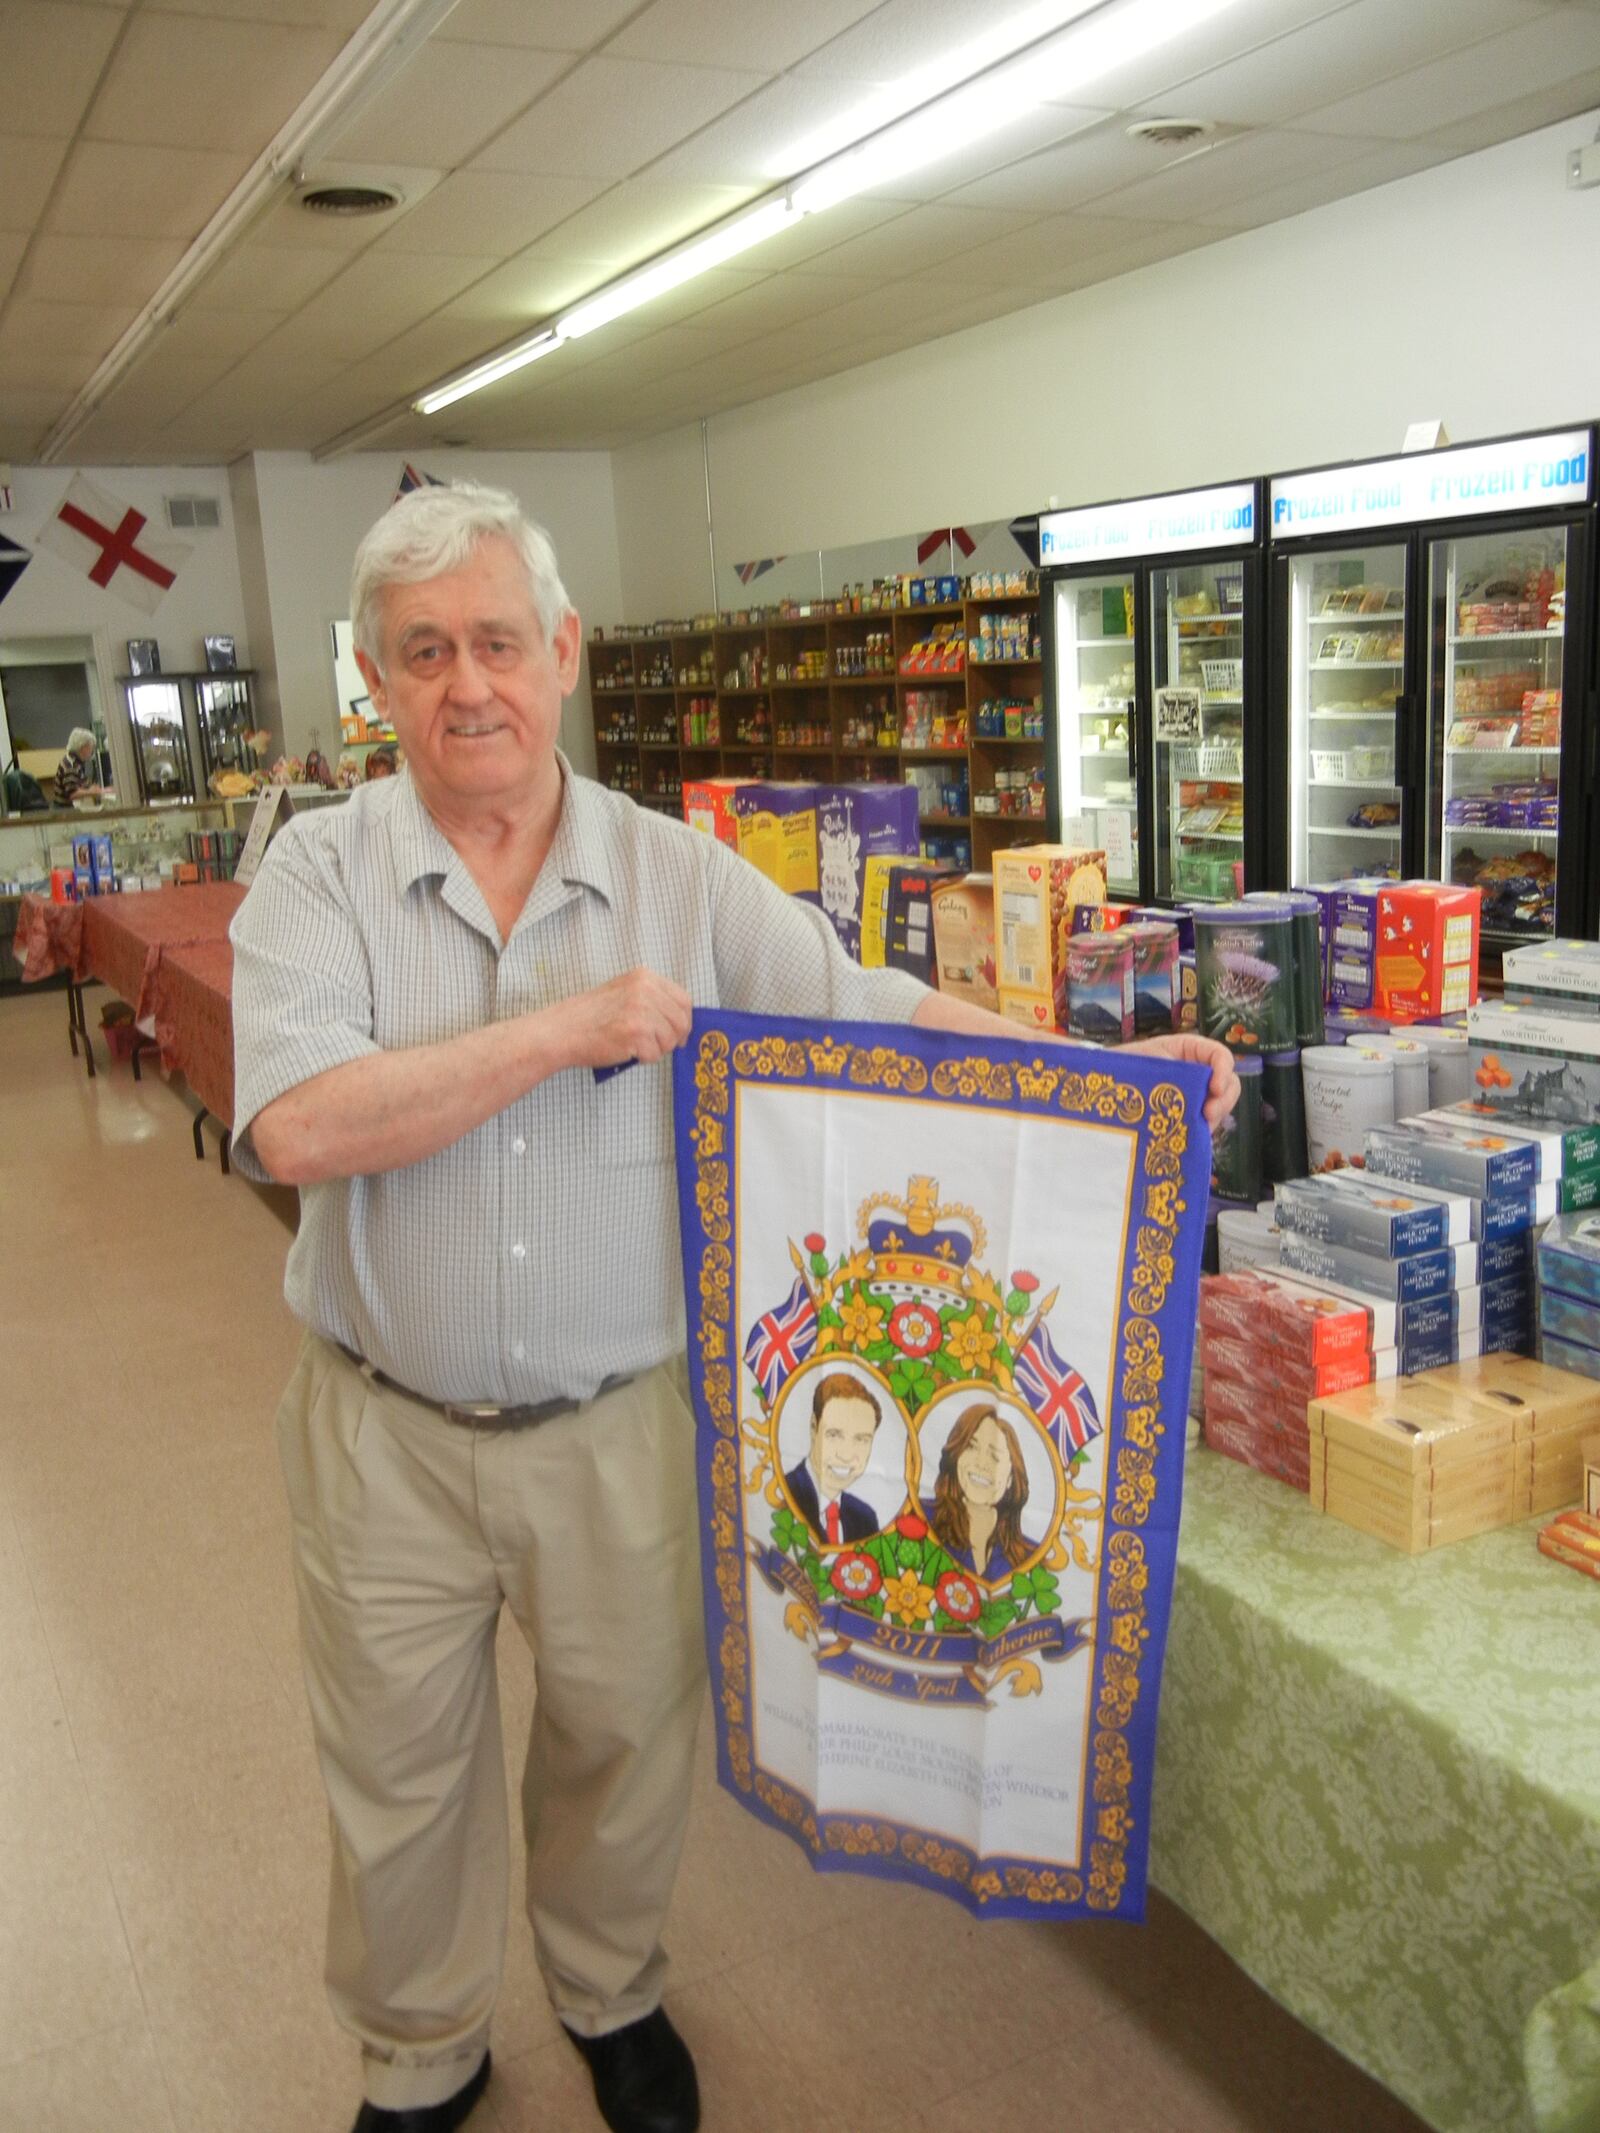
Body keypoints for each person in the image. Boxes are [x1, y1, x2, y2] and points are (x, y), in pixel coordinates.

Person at [229, 482, 1238, 2133]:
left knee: (623, 1745)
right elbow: (300, 1123)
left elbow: (872, 1011)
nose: (465, 683)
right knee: (396, 1775)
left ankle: (611, 1993)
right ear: (374, 677)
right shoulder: (317, 879)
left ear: (561, 652)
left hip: (624, 1420)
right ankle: (422, 2048)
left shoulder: (678, 876)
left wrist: (1092, 1066)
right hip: (379, 1427)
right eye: (423, 653)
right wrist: (566, 1028)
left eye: (496, 641)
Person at [928, 1403, 1036, 1581]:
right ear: (956, 1457)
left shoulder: (1031, 1556)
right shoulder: (919, 1519)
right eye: (971, 1447)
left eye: (994, 1456)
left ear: (1010, 1479)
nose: (981, 1463)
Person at [785, 1372, 883, 1545]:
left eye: (861, 1439)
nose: (846, 1456)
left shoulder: (865, 1519)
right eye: (834, 1435)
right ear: (814, 1428)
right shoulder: (784, 1494)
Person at [51, 726, 100, 807]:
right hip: (65, 811)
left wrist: (94, 788)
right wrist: (96, 792)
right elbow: (72, 794)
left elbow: (83, 783)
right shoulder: (71, 765)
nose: (91, 751)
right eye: (90, 747)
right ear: (82, 747)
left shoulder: (75, 761)